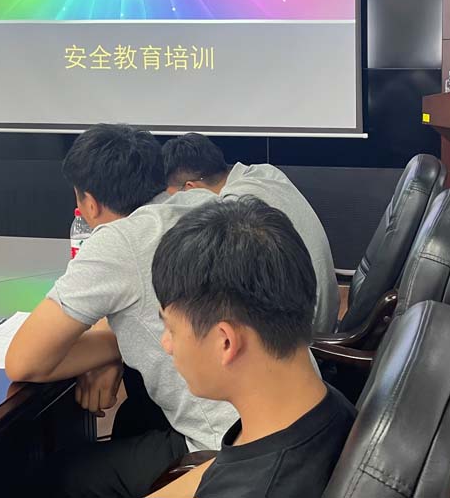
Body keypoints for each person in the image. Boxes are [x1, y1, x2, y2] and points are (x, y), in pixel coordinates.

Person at [5, 124, 237, 497]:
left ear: (89, 203)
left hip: (219, 447)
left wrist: (111, 348)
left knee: (57, 475)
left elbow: (24, 362)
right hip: (275, 424)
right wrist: (120, 343)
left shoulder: (119, 242)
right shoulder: (202, 202)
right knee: (131, 418)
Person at [148, 196, 356, 498]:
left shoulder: (260, 486)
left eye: (171, 329)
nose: (166, 344)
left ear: (225, 342)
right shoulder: (320, 408)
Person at [162, 133, 339, 334]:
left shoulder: (234, 209)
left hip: (303, 332)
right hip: (326, 314)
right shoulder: (265, 172)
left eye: (176, 197)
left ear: (191, 188)